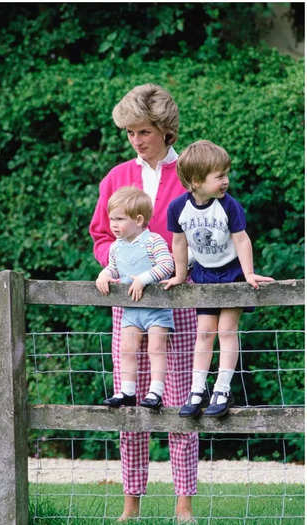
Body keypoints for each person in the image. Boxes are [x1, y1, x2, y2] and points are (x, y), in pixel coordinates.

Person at [88, 83, 197, 522]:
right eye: (130, 132)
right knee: (130, 403)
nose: (136, 139)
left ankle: (184, 504)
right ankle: (130, 504)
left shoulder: (191, 172)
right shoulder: (117, 178)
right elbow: (100, 235)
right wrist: (115, 266)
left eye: (143, 131)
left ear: (165, 130)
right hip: (129, 308)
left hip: (181, 303)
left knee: (178, 404)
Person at [164, 140, 274, 418]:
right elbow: (179, 243)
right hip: (203, 274)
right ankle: (197, 389)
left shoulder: (229, 206)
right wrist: (179, 274)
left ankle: (222, 388)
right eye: (219, 176)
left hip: (231, 272)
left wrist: (248, 273)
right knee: (203, 333)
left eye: (226, 174)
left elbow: (241, 239)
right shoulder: (178, 209)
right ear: (196, 181)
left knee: (226, 331)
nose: (226, 181)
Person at [96, 187, 175, 410]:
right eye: (111, 219)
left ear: (139, 219)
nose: (113, 224)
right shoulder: (115, 247)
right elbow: (113, 268)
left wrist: (144, 278)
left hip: (156, 309)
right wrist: (104, 274)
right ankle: (127, 392)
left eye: (119, 219)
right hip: (131, 311)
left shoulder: (153, 241)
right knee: (127, 349)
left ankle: (155, 392)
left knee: (156, 349)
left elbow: (167, 265)